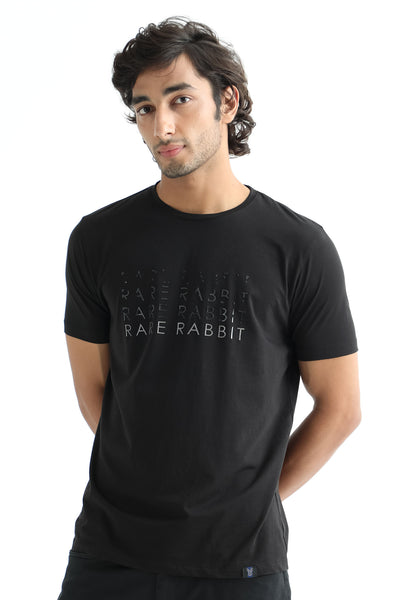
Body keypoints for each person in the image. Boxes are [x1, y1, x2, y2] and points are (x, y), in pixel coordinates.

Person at [57, 16, 361, 600]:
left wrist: (252, 500)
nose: (162, 125)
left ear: (227, 101)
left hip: (240, 565)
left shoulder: (298, 247)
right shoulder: (98, 239)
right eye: (144, 108)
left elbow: (341, 406)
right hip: (110, 555)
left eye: (180, 99)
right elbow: (95, 393)